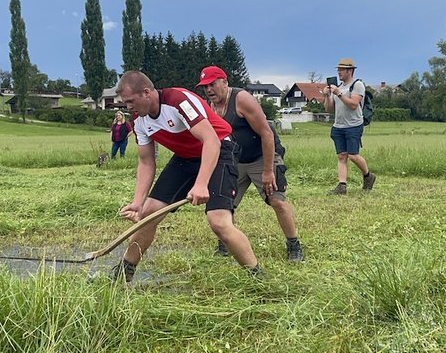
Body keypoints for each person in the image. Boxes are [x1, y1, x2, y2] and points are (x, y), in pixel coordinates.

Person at [110, 70, 261, 283]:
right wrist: (137, 202)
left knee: (218, 221)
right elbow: (146, 162)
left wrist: (201, 184)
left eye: (130, 101)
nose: (128, 107)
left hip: (219, 149)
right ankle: (123, 274)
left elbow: (211, 141)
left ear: (146, 93)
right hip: (186, 157)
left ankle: (257, 276)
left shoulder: (178, 101)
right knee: (148, 213)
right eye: (125, 103)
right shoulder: (138, 120)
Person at [198, 66, 304, 262]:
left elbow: (266, 134)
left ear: (224, 82)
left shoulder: (242, 99)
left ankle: (294, 244)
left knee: (277, 200)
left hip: (262, 156)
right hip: (235, 160)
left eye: (212, 84)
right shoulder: (208, 106)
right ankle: (226, 243)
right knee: (224, 204)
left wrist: (267, 171)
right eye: (205, 87)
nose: (209, 90)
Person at [323, 57, 376, 194]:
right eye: (338, 70)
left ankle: (368, 176)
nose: (339, 72)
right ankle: (342, 186)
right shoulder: (338, 87)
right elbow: (329, 109)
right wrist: (327, 96)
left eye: (341, 70)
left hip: (353, 125)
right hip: (338, 126)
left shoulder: (357, 85)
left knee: (353, 155)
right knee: (341, 156)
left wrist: (339, 94)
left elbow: (353, 104)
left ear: (350, 71)